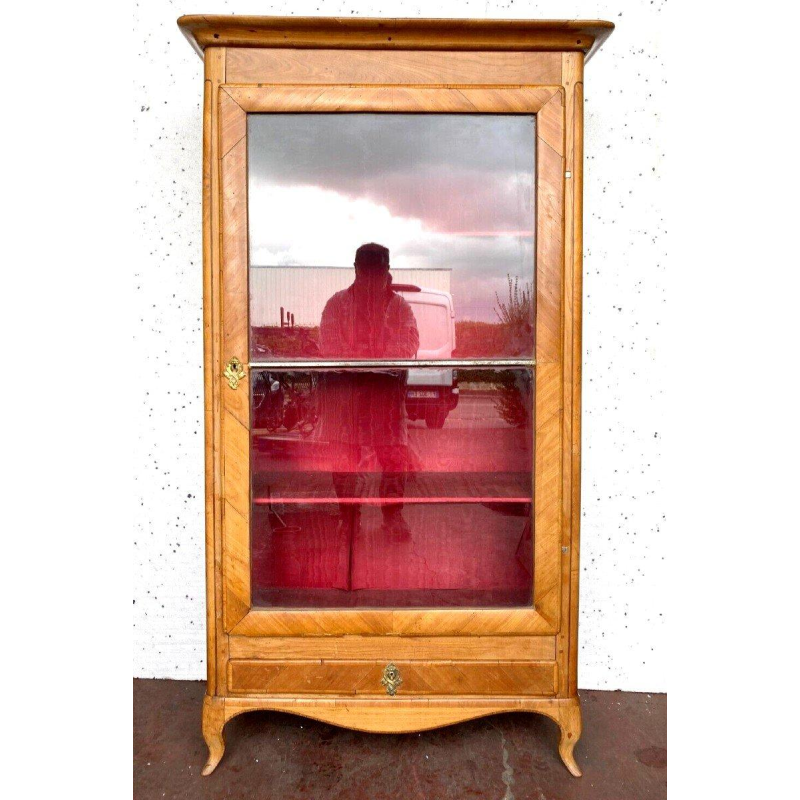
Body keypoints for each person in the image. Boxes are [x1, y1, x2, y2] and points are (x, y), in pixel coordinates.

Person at [316, 244, 420, 578]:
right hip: (347, 402)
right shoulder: (337, 304)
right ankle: (350, 520)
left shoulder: (400, 308)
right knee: (344, 459)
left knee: (393, 459)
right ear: (356, 269)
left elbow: (408, 347)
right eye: (366, 269)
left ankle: (393, 516)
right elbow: (329, 347)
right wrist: (367, 360)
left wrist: (367, 358)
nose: (372, 276)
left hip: (386, 402)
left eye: (378, 270)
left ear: (387, 269)